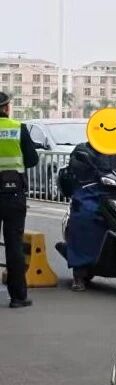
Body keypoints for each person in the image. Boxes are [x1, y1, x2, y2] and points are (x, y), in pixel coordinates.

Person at [62, 142, 116, 291]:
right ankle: (79, 272)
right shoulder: (83, 149)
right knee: (85, 216)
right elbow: (75, 167)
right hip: (91, 192)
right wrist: (87, 166)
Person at [0, 92, 39, 308]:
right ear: (6, 108)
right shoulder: (18, 128)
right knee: (14, 245)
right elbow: (32, 159)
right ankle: (18, 297)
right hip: (13, 193)